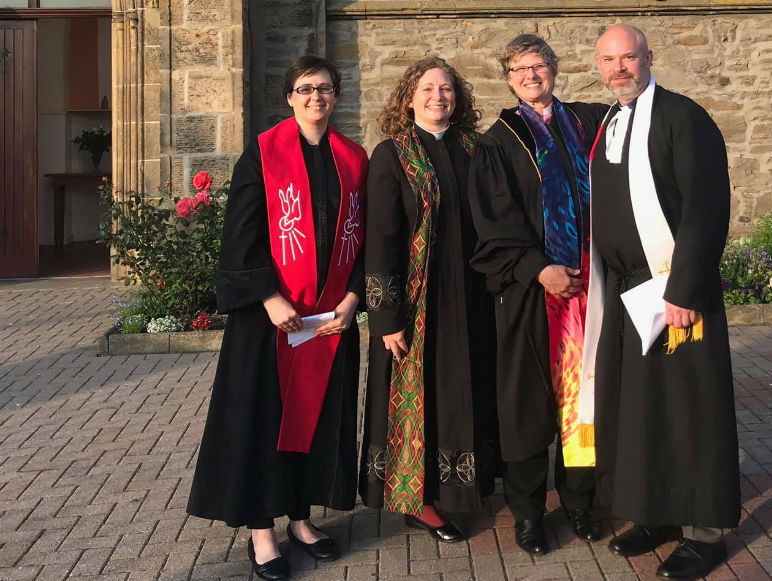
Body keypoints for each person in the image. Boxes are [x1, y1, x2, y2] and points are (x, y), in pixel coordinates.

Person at [186, 54, 368, 581]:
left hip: (328, 321)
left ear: (337, 96)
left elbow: (363, 243)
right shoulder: (264, 154)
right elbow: (240, 235)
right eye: (306, 89)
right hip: (271, 321)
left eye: (326, 88)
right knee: (265, 420)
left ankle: (301, 519)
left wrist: (353, 298)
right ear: (289, 96)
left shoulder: (352, 160)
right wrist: (268, 297)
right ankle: (262, 532)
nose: (317, 97)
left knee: (317, 420)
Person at [581, 24, 741, 579]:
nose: (619, 68)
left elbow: (706, 207)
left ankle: (703, 532)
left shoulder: (684, 117)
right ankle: (656, 512)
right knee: (643, 412)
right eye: (609, 60)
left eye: (628, 57)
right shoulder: (609, 121)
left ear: (649, 58)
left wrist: (685, 290)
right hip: (626, 291)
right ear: (598, 66)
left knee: (689, 412)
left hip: (674, 293)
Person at [468, 34, 608, 555]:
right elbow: (494, 225)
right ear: (508, 79)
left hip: (591, 292)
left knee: (584, 399)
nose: (530, 75)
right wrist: (539, 268)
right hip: (532, 295)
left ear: (554, 68)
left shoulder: (589, 123)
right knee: (526, 408)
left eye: (538, 65)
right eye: (519, 69)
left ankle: (580, 502)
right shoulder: (498, 143)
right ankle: (529, 513)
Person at [359, 57, 499, 542]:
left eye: (446, 89)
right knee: (425, 398)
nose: (438, 96)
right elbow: (380, 240)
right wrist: (386, 318)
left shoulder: (473, 148)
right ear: (409, 97)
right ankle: (418, 500)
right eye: (428, 88)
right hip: (416, 304)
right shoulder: (391, 155)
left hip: (471, 296)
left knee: (464, 391)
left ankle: (464, 488)